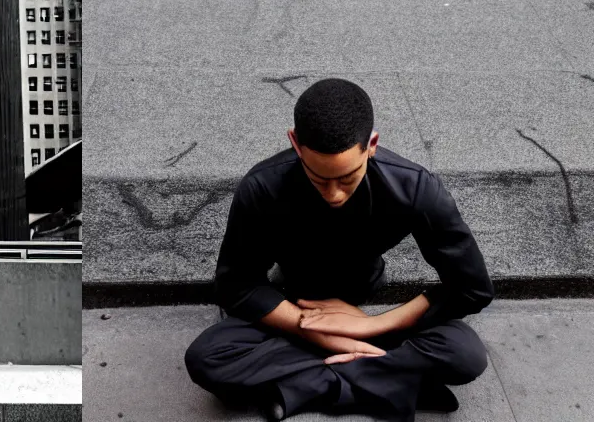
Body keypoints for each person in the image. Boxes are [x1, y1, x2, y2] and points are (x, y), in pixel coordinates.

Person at [184, 78, 493, 421]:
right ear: (295, 144)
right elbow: (235, 284)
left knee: (466, 354)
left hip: (367, 302)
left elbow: (473, 288)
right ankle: (390, 382)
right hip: (293, 304)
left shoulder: (415, 188)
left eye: (347, 178)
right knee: (206, 358)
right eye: (319, 178)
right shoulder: (262, 187)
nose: (333, 194)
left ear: (371, 144)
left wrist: (370, 326)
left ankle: (300, 388)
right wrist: (320, 332)